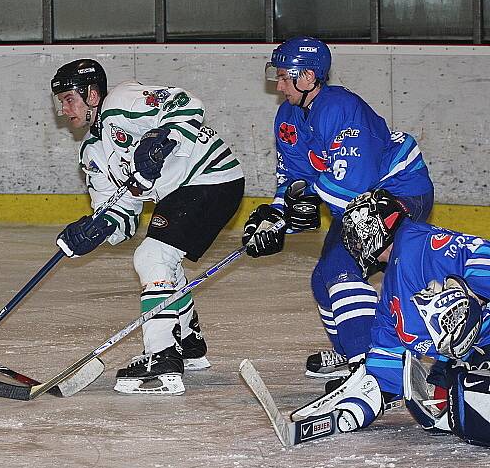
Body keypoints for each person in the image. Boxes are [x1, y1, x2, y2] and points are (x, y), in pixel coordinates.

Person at [241, 36, 434, 378]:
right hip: (360, 205)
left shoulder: (341, 107)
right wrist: (276, 215)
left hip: (399, 191)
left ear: (309, 77)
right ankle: (354, 349)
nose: (280, 85)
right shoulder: (287, 117)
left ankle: (371, 369)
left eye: (286, 76)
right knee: (323, 281)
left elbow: (352, 186)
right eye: (278, 76)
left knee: (340, 271)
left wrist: (306, 204)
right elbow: (295, 176)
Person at [50, 59, 245, 396]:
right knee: (163, 262)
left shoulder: (121, 102)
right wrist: (93, 231)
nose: (63, 109)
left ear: (93, 94)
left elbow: (185, 103)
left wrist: (161, 137)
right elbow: (121, 215)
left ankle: (161, 359)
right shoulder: (93, 154)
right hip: (186, 191)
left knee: (151, 257)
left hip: (211, 177)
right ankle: (187, 343)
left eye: (69, 98)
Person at [289, 189, 490, 446]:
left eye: (355, 234)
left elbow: (480, 258)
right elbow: (387, 360)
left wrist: (474, 295)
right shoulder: (391, 294)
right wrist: (356, 408)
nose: (353, 243)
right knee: (448, 412)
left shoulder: (426, 244)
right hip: (469, 358)